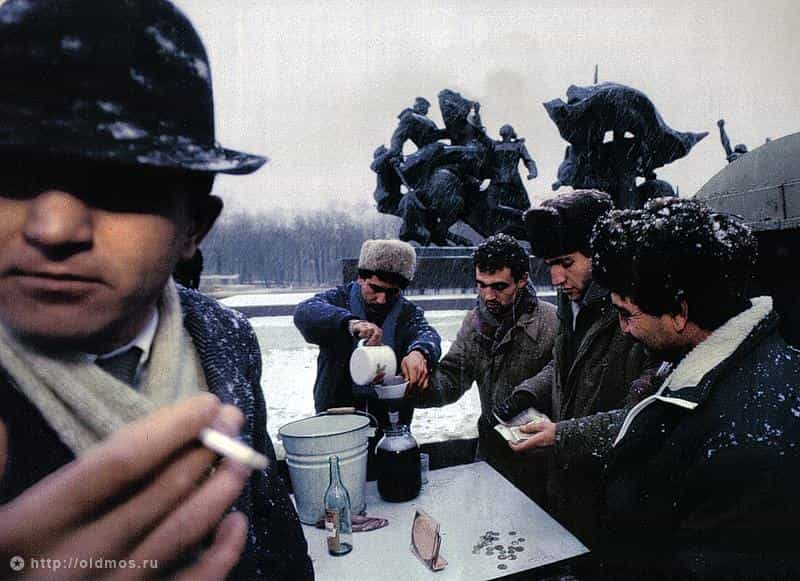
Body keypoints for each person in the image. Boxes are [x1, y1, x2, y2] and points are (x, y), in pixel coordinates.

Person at [0, 1, 312, 579]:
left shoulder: (224, 336)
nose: (54, 228)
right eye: (10, 175)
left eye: (120, 184)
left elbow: (267, 520)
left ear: (194, 227)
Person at [592, 197, 800, 578]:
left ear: (679, 312)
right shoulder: (745, 367)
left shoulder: (745, 441)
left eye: (626, 314)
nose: (623, 329)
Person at [493, 190, 657, 547]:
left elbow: (645, 416)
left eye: (566, 263)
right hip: (574, 486)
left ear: (600, 255)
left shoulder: (637, 309)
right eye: (550, 264)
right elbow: (565, 364)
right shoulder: (572, 300)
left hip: (616, 500)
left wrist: (562, 435)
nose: (555, 277)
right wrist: (528, 394)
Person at [412, 234, 557, 501]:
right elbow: (453, 377)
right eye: (481, 285)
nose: (489, 295)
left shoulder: (553, 322)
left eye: (499, 287)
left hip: (542, 463)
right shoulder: (474, 323)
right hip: (491, 456)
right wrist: (413, 387)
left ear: (522, 279)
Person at [293, 239, 441, 425]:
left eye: (392, 292)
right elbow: (305, 312)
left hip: (390, 418)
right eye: (375, 289)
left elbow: (427, 335)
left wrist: (420, 352)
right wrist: (350, 323)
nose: (382, 299)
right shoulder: (338, 300)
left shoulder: (408, 313)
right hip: (336, 413)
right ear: (361, 278)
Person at [489, 124, 538, 213]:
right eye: (503, 129)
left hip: (513, 178)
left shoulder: (518, 145)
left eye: (507, 130)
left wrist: (533, 172)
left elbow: (528, 160)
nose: (504, 131)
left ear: (511, 133)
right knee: (490, 204)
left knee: (524, 205)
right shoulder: (494, 145)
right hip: (497, 179)